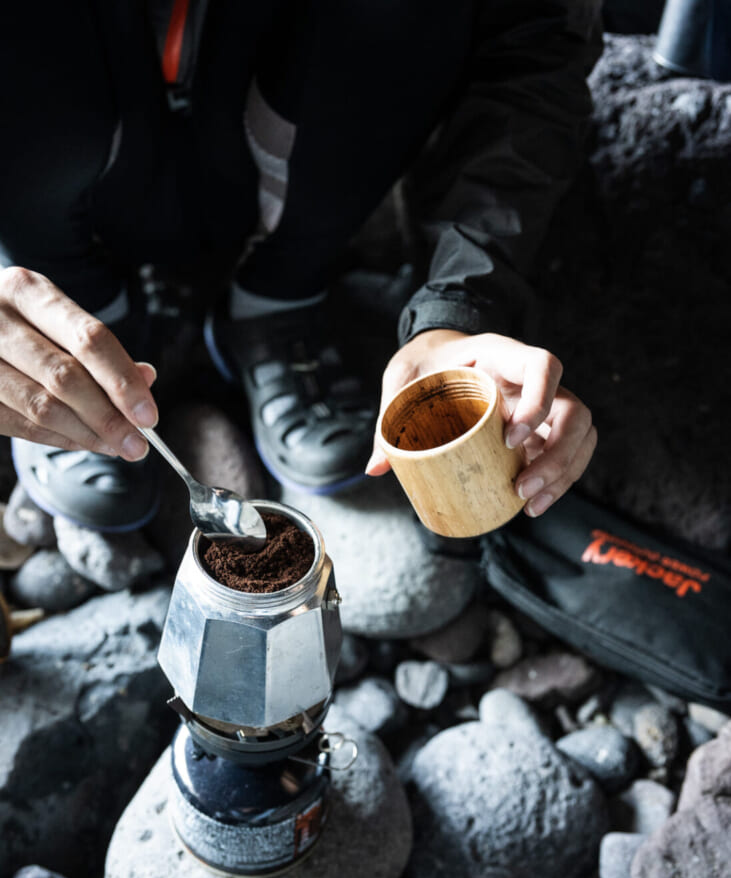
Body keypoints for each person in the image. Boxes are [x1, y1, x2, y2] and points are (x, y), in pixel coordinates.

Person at [0, 0, 600, 532]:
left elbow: (534, 43)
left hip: (291, 147)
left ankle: (277, 296)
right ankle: (68, 321)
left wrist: (460, 305)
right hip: (50, 174)